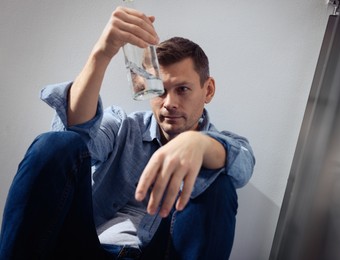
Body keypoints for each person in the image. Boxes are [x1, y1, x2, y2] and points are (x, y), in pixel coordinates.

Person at [0, 6, 255, 260]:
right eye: (160, 90)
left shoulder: (225, 145)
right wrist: (102, 53)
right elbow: (74, 133)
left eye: (183, 89)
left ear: (208, 90)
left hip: (163, 254)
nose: (169, 103)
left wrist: (199, 144)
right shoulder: (125, 125)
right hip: (86, 248)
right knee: (55, 143)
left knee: (219, 180)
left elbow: (242, 163)